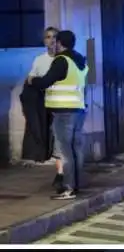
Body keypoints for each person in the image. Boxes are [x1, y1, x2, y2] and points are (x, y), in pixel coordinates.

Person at [26, 30, 88, 200]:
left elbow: (46, 81)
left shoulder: (62, 60)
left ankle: (68, 188)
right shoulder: (80, 60)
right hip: (78, 110)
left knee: (65, 151)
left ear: (60, 43)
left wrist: (32, 80)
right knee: (76, 150)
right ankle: (77, 184)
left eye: (56, 41)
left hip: (63, 111)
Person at [20, 26, 60, 169]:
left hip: (58, 97)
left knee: (56, 127)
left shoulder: (62, 59)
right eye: (48, 37)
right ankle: (38, 154)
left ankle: (54, 155)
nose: (51, 41)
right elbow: (31, 77)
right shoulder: (40, 59)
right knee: (38, 124)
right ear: (44, 41)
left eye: (54, 37)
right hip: (42, 95)